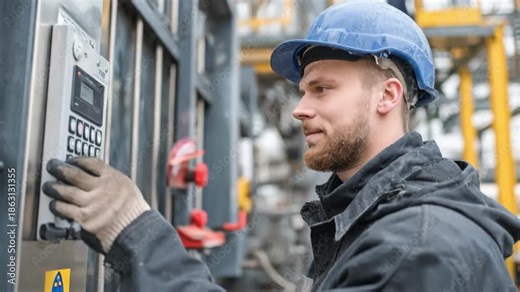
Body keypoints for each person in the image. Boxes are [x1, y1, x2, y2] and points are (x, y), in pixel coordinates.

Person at [43, 2, 520, 291]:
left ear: (387, 95)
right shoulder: (383, 217)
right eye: (302, 91)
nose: (300, 108)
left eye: (322, 89)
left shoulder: (414, 248)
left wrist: (140, 235)